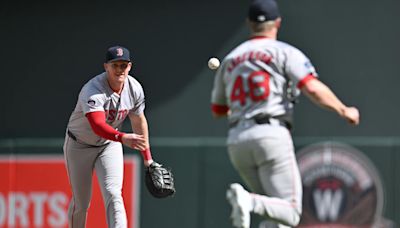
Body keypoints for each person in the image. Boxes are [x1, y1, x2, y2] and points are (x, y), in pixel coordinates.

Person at [210, 0, 360, 227]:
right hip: (271, 135)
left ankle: (250, 202)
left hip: (238, 140)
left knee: (275, 214)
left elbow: (218, 110)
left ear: (249, 23)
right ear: (277, 22)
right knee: (291, 211)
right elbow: (311, 87)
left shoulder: (231, 59)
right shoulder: (285, 52)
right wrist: (342, 109)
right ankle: (248, 200)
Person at [63, 45, 155, 228]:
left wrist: (148, 160)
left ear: (130, 66)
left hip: (108, 144)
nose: (120, 69)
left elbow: (138, 122)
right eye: (115, 65)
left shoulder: (134, 88)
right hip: (79, 145)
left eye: (123, 65)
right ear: (106, 67)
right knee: (81, 203)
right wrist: (122, 138)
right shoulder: (93, 90)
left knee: (114, 193)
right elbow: (97, 125)